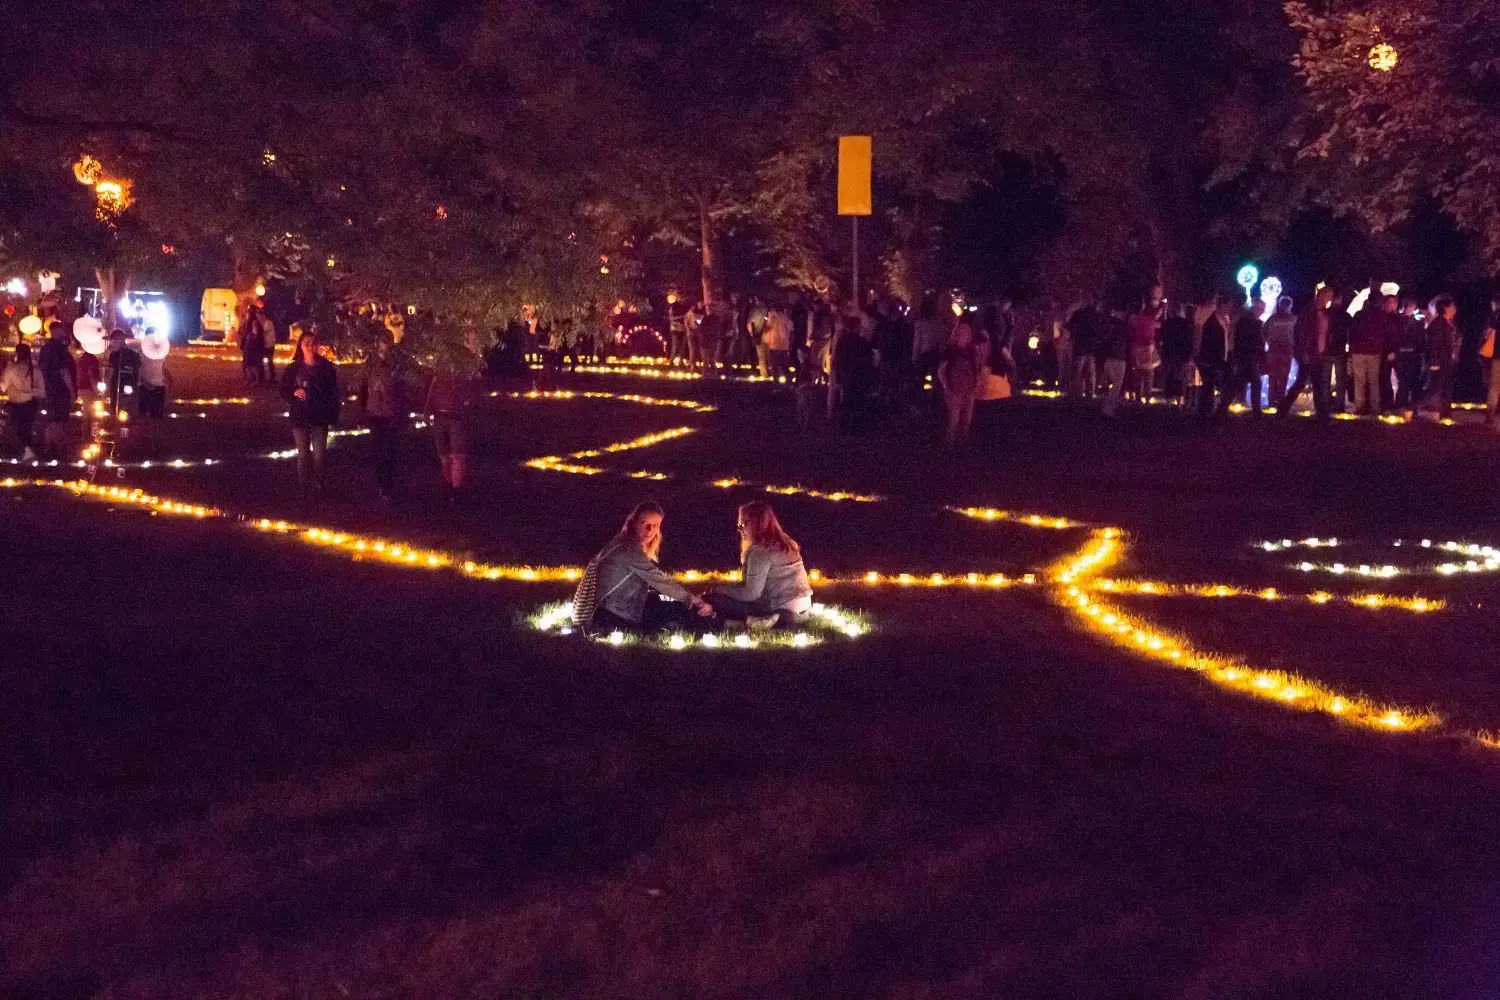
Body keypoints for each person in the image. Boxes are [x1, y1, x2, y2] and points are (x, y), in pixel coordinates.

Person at [571, 501, 714, 634]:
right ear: (633, 523)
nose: (649, 530)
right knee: (679, 610)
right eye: (644, 523)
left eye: (655, 525)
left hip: (610, 610)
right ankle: (711, 623)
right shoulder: (628, 549)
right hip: (609, 617)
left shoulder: (622, 542)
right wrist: (697, 601)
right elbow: (661, 582)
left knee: (661, 602)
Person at [706, 502, 814, 629]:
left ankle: (744, 623)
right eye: (738, 525)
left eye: (743, 525)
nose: (739, 530)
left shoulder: (760, 551)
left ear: (756, 523)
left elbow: (751, 593)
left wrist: (719, 590)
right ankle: (755, 622)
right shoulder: (787, 543)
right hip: (804, 609)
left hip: (780, 608)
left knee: (713, 600)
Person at [281, 329, 340, 495]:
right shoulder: (294, 367)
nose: (309, 346)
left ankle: (319, 482)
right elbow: (283, 389)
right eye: (306, 343)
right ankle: (303, 486)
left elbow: (333, 393)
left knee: (319, 455)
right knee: (303, 454)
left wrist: (332, 414)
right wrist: (293, 394)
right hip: (300, 416)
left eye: (312, 343)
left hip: (319, 417)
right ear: (300, 345)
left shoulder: (326, 368)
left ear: (317, 346)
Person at [1278, 285, 1334, 420]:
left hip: (1319, 354)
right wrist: (1302, 352)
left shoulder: (1325, 313)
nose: (1329, 299)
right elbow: (1301, 333)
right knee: (1301, 383)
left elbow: (1325, 333)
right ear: (1320, 295)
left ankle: (1322, 416)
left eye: (1330, 296)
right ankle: (1282, 410)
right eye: (1327, 296)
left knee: (1318, 384)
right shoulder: (1308, 311)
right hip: (1309, 353)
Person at [359, 335, 403, 500]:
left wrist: (399, 409)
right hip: (375, 412)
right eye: (383, 341)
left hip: (391, 412)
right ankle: (382, 484)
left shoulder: (396, 364)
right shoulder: (370, 363)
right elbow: (363, 388)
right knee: (378, 450)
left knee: (390, 450)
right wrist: (364, 410)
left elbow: (401, 388)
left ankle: (389, 484)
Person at [424, 361, 475, 498]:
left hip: (453, 417)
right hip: (445, 417)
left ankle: (455, 487)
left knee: (454, 454)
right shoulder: (441, 376)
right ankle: (452, 485)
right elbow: (431, 394)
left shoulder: (456, 376)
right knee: (447, 454)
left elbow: (467, 395)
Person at [1349, 294, 1397, 416]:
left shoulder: (1359, 314)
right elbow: (1390, 334)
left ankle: (1360, 407)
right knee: (1373, 381)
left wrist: (1351, 351)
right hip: (1374, 351)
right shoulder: (1382, 316)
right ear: (1380, 302)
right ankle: (1374, 407)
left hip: (1358, 351)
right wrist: (1391, 348)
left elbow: (1351, 333)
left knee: (1359, 381)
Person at [937, 322, 981, 445]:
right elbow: (941, 370)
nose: (964, 336)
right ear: (956, 335)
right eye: (961, 333)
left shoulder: (972, 351)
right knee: (953, 420)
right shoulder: (950, 350)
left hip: (969, 388)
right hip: (954, 388)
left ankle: (962, 444)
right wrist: (945, 385)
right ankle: (950, 445)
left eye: (966, 333)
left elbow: (976, 368)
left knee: (966, 419)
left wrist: (976, 382)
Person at [38, 320, 76, 459]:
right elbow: (64, 371)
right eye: (62, 329)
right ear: (56, 331)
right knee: (60, 420)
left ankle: (49, 447)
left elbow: (41, 368)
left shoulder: (45, 348)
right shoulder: (59, 348)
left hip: (48, 388)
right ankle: (59, 449)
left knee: (52, 419)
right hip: (60, 389)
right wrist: (71, 391)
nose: (64, 332)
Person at [1419, 295, 1460, 421]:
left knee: (1445, 385)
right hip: (1439, 360)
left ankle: (1444, 412)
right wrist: (1434, 361)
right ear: (1445, 308)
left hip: (1447, 360)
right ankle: (1430, 410)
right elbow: (1434, 343)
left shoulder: (1449, 322)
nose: (1454, 308)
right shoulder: (1438, 323)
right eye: (1451, 306)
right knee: (1436, 386)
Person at [2, 343, 44, 460]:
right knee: (27, 427)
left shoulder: (10, 369)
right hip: (31, 403)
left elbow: (4, 387)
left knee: (18, 428)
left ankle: (25, 452)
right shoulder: (35, 370)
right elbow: (41, 390)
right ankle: (28, 452)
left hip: (16, 404)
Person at [1223, 302, 1265, 417]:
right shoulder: (1252, 322)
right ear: (1256, 309)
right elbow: (1253, 340)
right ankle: (1256, 412)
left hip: (1244, 356)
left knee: (1239, 383)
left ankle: (1221, 409)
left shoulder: (1245, 320)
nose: (1262, 312)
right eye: (1261, 309)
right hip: (1248, 356)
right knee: (1254, 382)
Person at [1390, 297, 1425, 416]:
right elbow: (1415, 337)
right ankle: (1402, 405)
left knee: (1407, 380)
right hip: (1405, 353)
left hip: (1409, 353)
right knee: (1405, 380)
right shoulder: (1405, 320)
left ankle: (1404, 405)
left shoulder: (1414, 320)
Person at [1263, 297, 1297, 409]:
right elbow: (1298, 335)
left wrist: (1269, 341)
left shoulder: (1272, 319)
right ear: (1290, 306)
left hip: (1273, 350)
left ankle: (1271, 401)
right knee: (1283, 377)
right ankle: (1281, 401)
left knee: (1272, 377)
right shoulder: (1294, 319)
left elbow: (1263, 332)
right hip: (1287, 350)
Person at [1158, 303, 1194, 406]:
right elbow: (1190, 340)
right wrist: (1189, 355)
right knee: (1179, 378)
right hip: (1182, 355)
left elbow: (1162, 338)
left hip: (1169, 354)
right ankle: (1178, 403)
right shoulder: (1187, 324)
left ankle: (1169, 403)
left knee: (1169, 377)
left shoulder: (1167, 323)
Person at [1125, 300, 1159, 402]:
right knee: (1147, 375)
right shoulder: (1148, 319)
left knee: (1139, 374)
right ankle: (1146, 398)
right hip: (1147, 348)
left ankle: (1139, 398)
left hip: (1139, 347)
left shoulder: (1134, 319)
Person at [1099, 308, 1130, 418]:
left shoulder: (1107, 327)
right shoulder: (1123, 328)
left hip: (1109, 358)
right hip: (1119, 358)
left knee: (1111, 385)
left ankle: (1107, 406)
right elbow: (1125, 343)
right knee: (1117, 385)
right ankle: (1108, 408)